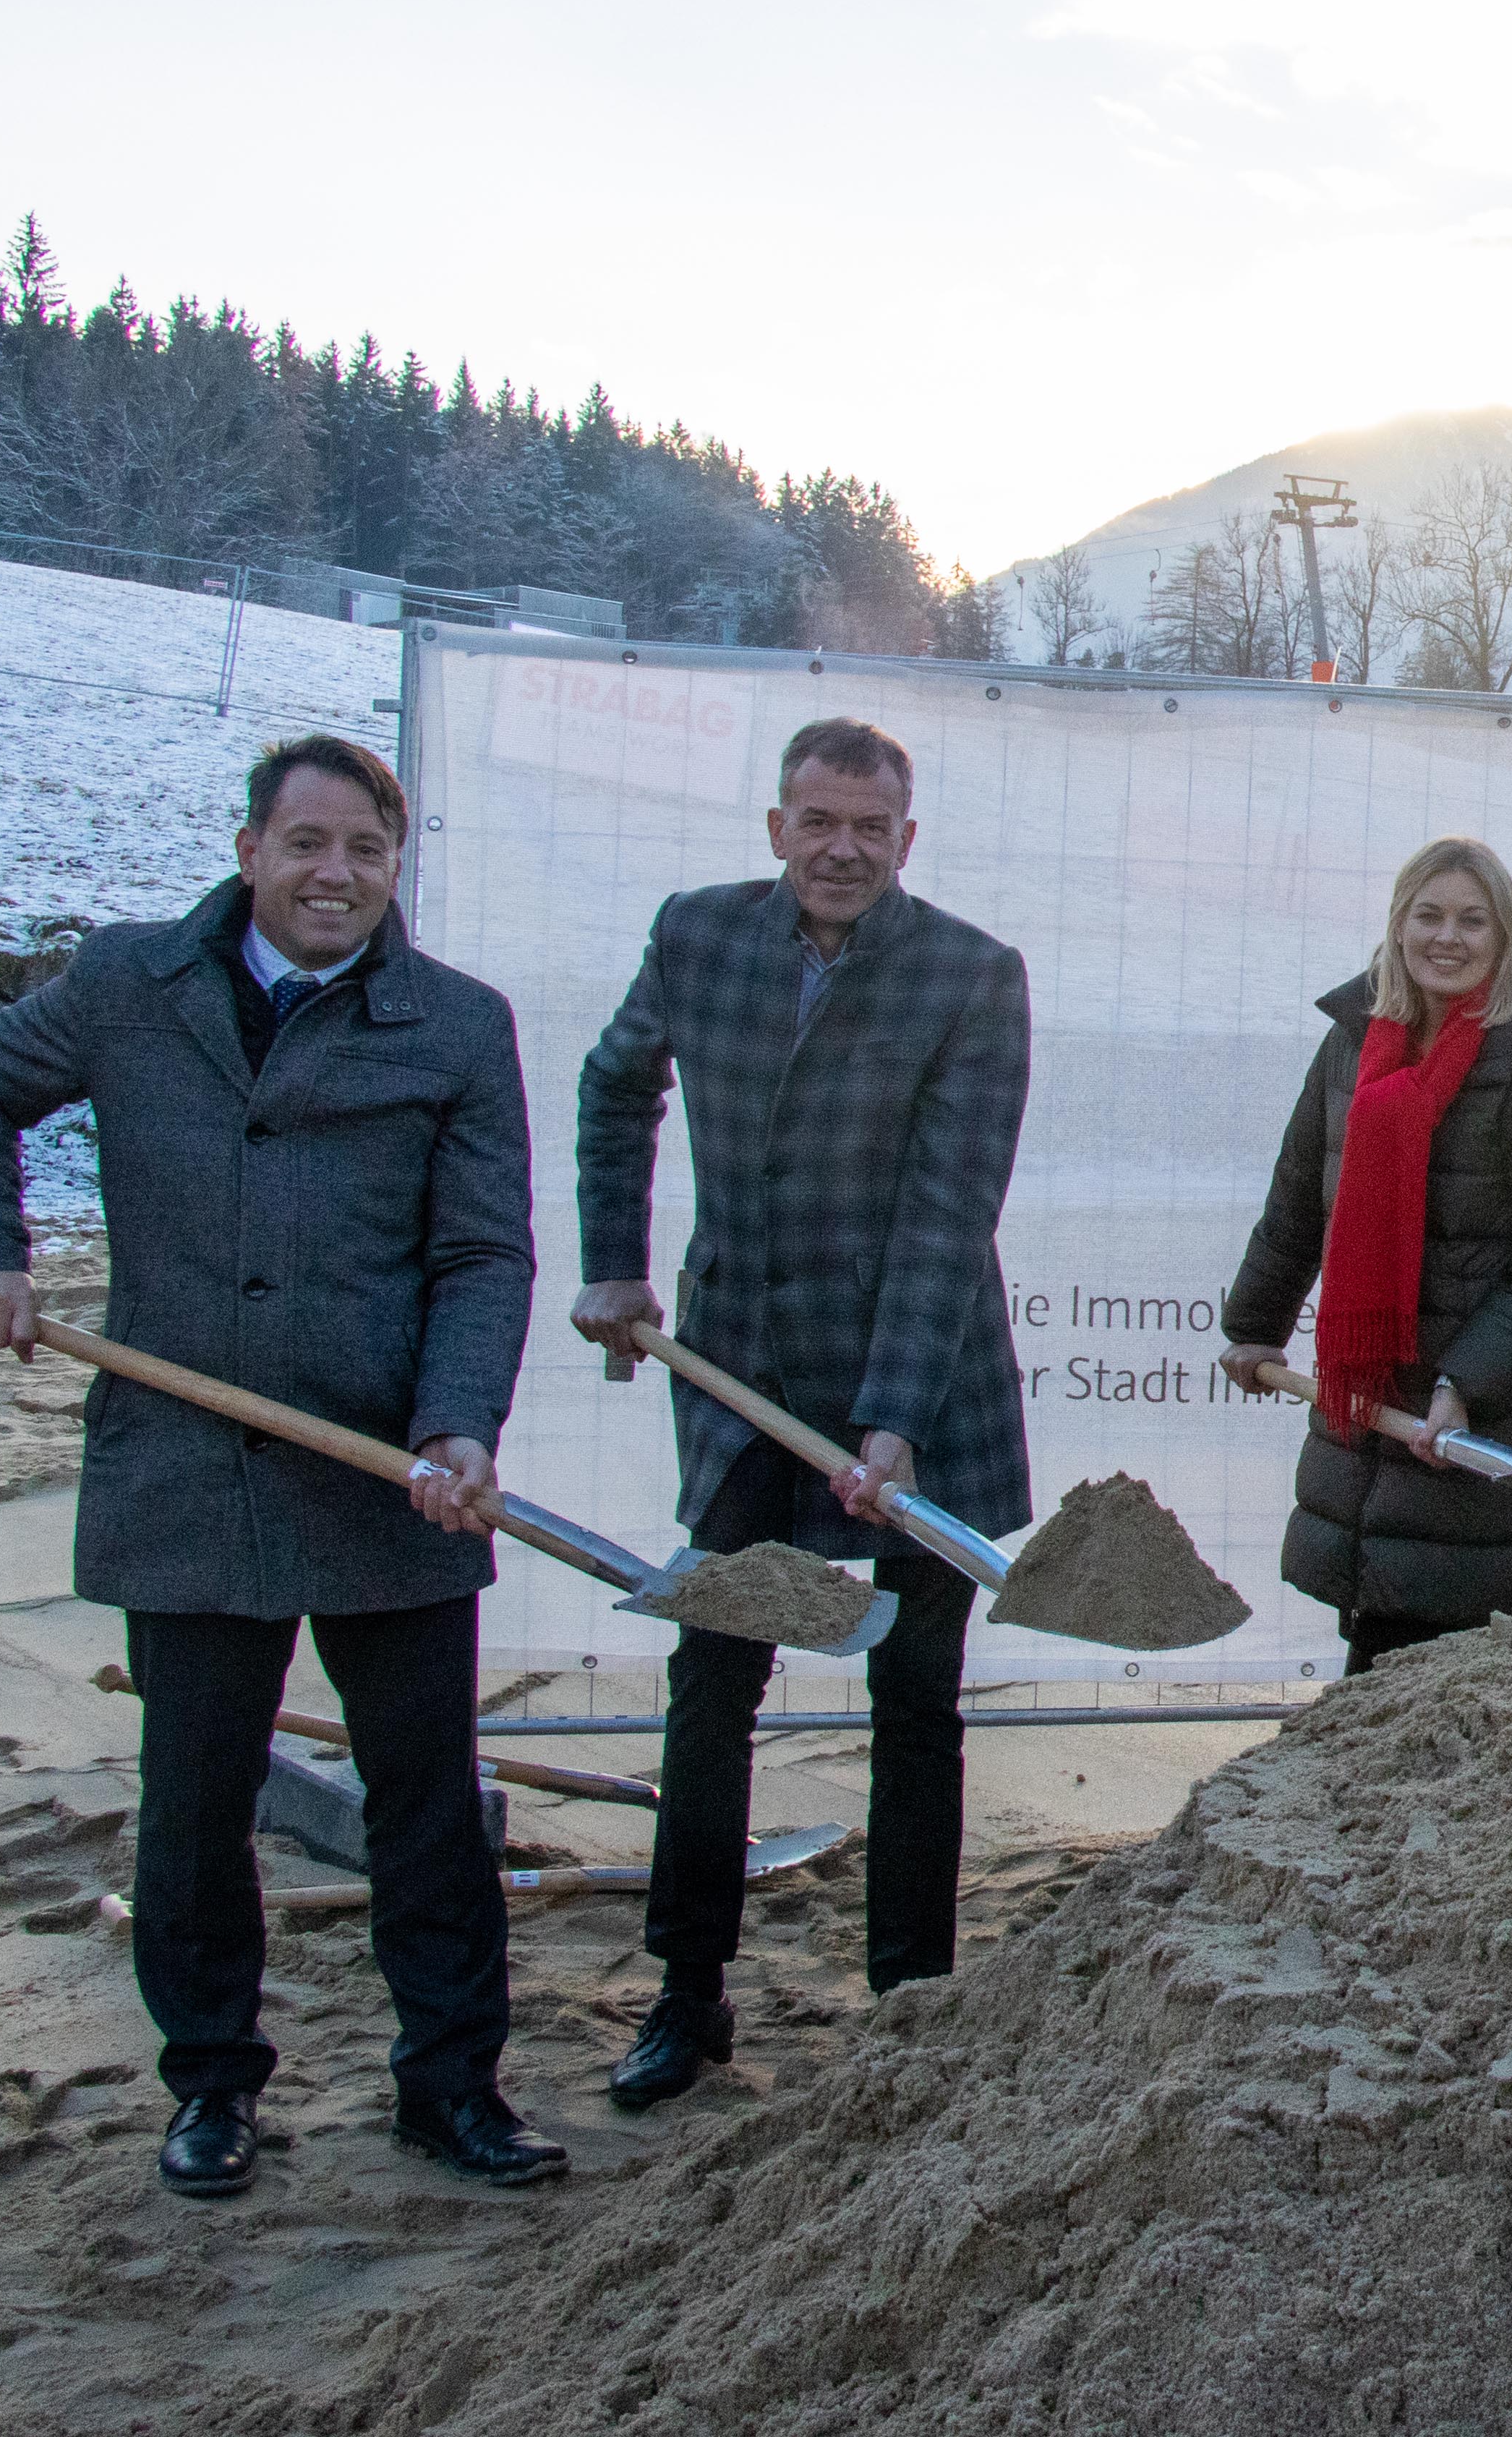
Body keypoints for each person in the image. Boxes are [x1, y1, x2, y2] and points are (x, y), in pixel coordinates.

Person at [0, 735, 560, 2195]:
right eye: (308, 842)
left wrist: (458, 1422)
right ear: (251, 848)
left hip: (386, 1471)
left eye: (368, 850)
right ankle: (211, 2084)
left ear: (397, 866)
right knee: (198, 1800)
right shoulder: (126, 985)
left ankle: (452, 2084)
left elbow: (482, 1251)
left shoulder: (457, 1024)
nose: (337, 873)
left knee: (426, 1801)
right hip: (186, 1464)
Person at [566, 716, 1033, 2112]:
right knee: (713, 1681)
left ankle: (909, 2003)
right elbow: (615, 1085)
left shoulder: (970, 975)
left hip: (925, 1378)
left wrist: (892, 1418)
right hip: (745, 1374)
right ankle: (688, 1991)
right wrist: (613, 1259)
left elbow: (950, 1211)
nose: (842, 850)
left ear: (907, 839)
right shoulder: (698, 936)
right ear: (778, 827)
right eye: (817, 822)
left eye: (869, 828)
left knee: (917, 1695)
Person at [1219, 837, 1512, 1674]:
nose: (1448, 938)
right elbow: (1298, 1203)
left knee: (1460, 1683)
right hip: (1369, 1422)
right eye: (1429, 915)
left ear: (1505, 937)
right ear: (1398, 926)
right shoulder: (1350, 1049)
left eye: (1473, 920)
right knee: (1373, 1653)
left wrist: (1464, 1385)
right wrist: (1253, 1326)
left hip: (1477, 1431)